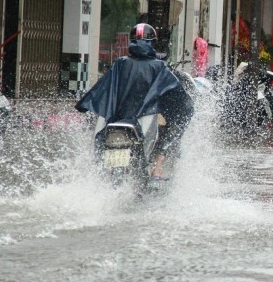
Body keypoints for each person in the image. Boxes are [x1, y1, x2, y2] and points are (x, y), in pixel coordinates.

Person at [75, 23, 194, 180]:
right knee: (170, 128)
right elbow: (176, 95)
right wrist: (185, 107)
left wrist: (84, 105)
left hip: (117, 117)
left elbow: (101, 89)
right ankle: (158, 166)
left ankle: (104, 171)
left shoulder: (120, 63)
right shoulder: (158, 67)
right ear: (152, 42)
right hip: (145, 116)